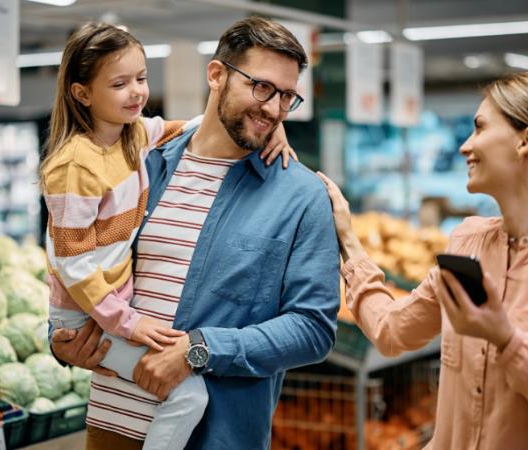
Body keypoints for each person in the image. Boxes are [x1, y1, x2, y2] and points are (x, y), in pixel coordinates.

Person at [318, 71, 528, 449]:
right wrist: (347, 239)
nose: (465, 146)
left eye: (479, 128)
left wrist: (506, 340)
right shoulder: (468, 242)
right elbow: (393, 331)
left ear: (526, 140)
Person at [49, 17, 339, 450]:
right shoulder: (141, 162)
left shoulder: (301, 196)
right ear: (217, 74)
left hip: (214, 436)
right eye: (262, 88)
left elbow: (313, 329)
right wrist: (60, 342)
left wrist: (198, 351)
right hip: (110, 425)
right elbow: (73, 257)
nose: (274, 109)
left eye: (286, 96)